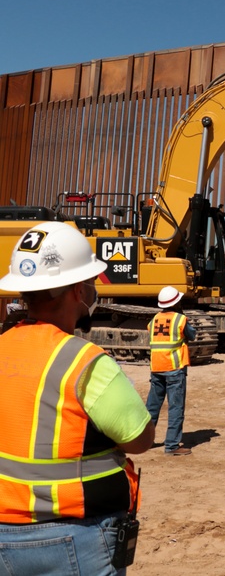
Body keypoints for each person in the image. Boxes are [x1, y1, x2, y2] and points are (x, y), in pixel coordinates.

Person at [0, 221, 154, 575]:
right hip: (73, 535)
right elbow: (140, 439)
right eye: (89, 281)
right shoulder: (84, 361)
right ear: (74, 291)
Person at [145, 285, 196, 456]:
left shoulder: (153, 320)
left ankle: (145, 442)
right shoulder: (180, 320)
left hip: (156, 368)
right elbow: (192, 334)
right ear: (176, 303)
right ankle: (172, 445)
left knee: (152, 407)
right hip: (174, 369)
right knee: (175, 408)